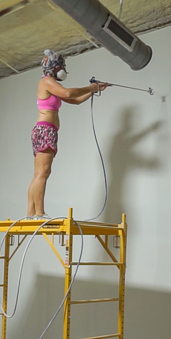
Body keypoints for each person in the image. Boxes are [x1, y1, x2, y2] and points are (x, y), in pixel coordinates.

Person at [26, 49, 109, 219]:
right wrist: (90, 87)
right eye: (60, 66)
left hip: (47, 130)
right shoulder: (47, 82)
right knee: (43, 173)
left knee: (39, 173)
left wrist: (94, 90)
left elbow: (74, 100)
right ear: (54, 67)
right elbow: (69, 93)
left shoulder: (52, 84)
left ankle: (30, 213)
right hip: (45, 130)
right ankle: (39, 213)